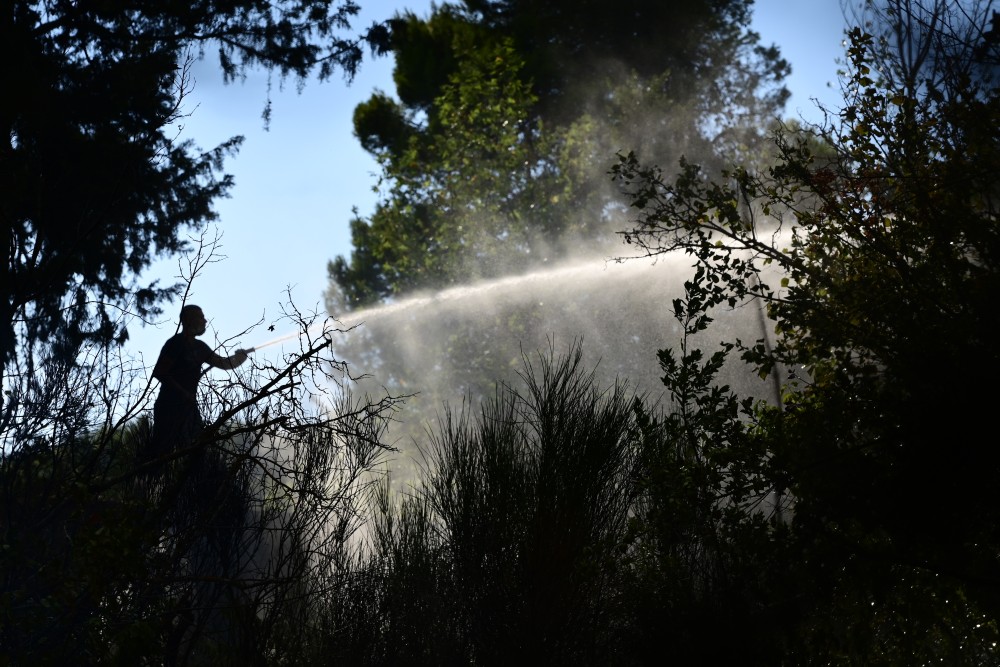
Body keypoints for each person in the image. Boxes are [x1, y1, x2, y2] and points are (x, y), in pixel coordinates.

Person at [149, 304, 249, 467]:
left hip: (189, 409)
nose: (204, 321)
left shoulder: (199, 347)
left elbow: (223, 363)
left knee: (197, 454)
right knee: (160, 456)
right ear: (188, 320)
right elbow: (160, 372)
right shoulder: (175, 344)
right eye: (200, 317)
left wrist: (240, 357)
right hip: (168, 407)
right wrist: (183, 393)